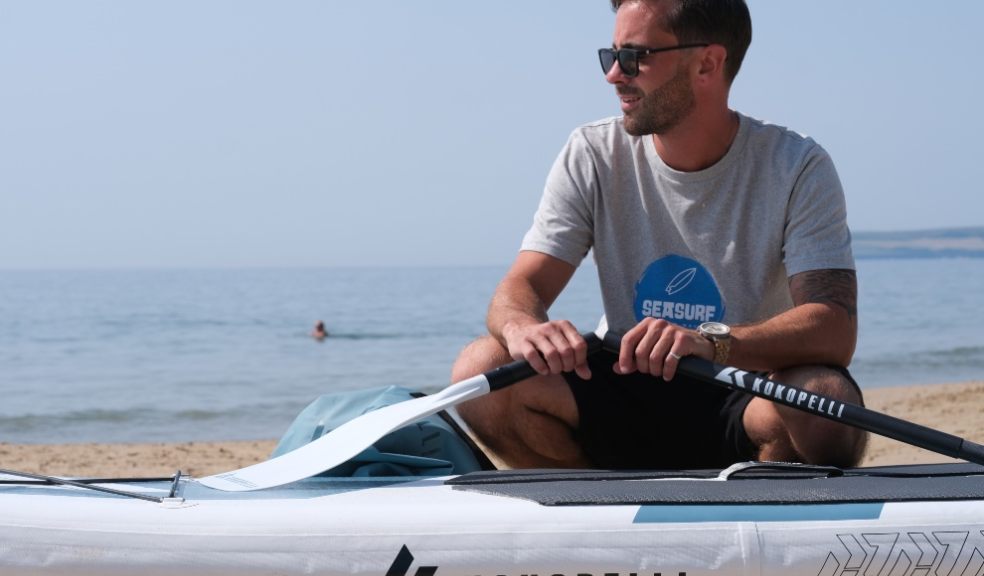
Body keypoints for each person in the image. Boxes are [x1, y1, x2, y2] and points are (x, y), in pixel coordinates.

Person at [451, 0, 867, 471]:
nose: (613, 75)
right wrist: (523, 327)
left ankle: (760, 503)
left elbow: (834, 327)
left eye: (634, 57)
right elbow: (520, 287)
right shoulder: (592, 151)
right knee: (479, 368)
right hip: (623, 386)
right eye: (610, 56)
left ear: (707, 63)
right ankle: (592, 508)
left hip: (743, 391)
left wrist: (709, 341)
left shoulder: (797, 165)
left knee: (824, 403)